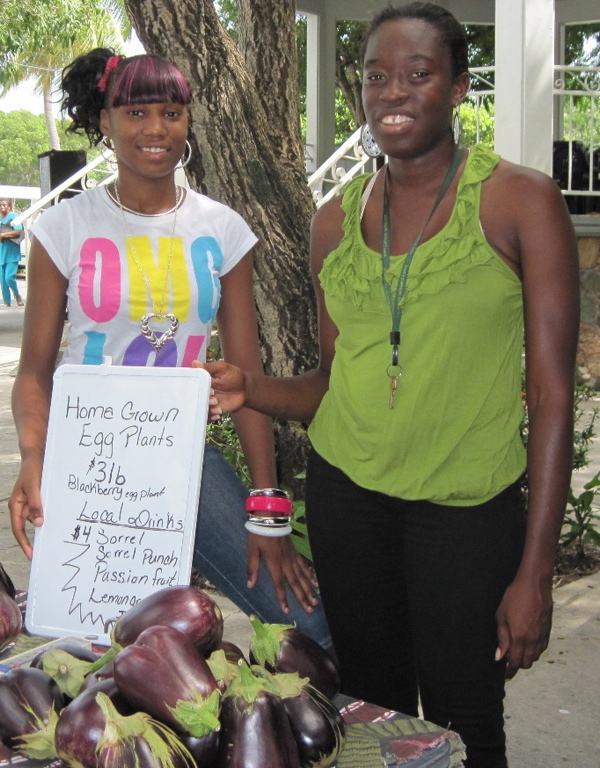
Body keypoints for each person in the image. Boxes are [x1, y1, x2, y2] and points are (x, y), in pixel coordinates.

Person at [200, 3, 580, 766]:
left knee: (466, 722)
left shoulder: (520, 203)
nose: (392, 93)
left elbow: (552, 398)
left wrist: (534, 571)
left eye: (418, 74)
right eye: (376, 76)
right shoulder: (334, 221)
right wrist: (252, 388)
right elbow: (331, 388)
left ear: (460, 87)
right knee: (369, 714)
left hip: (466, 515)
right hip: (350, 501)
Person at [8, 48, 329, 648]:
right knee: (101, 650)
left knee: (304, 621)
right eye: (135, 112)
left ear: (188, 123)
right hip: (85, 467)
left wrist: (266, 512)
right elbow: (34, 374)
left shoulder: (223, 230)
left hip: (182, 458)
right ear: (105, 121)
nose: (155, 129)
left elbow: (246, 375)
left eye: (171, 112)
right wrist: (33, 458)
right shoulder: (63, 228)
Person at [0, 198, 25, 308]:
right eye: (0, 205)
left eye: (4, 205)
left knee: (9, 277)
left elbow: (19, 232)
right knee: (3, 280)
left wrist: (3, 235)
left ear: (9, 206)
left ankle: (17, 295)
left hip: (12, 253)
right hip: (1, 253)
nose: (2, 207)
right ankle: (7, 303)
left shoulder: (14, 217)